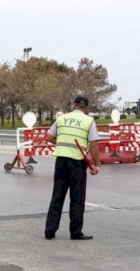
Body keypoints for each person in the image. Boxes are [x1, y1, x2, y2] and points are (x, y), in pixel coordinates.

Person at [44, 96, 100, 240]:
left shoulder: (61, 119)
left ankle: (50, 231)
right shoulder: (89, 121)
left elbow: (49, 138)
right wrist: (96, 164)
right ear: (86, 108)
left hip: (61, 161)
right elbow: (93, 145)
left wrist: (62, 141)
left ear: (73, 105)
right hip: (77, 163)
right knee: (77, 198)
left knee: (57, 196)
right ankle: (75, 232)